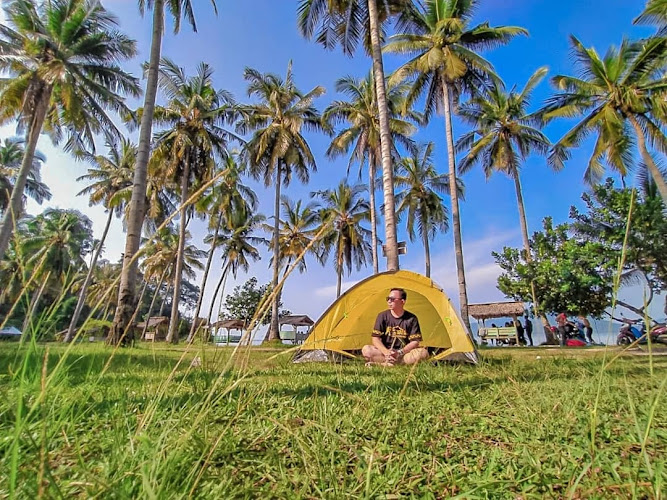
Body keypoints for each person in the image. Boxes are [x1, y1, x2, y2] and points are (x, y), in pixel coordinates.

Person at [362, 288, 429, 366]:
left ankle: (386, 364)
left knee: (423, 353)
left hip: (403, 354)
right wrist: (386, 352)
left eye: (392, 299)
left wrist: (399, 352)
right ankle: (392, 363)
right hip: (384, 354)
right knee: (366, 350)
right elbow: (375, 338)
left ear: (402, 302)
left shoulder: (411, 318)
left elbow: (415, 342)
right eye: (388, 299)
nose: (389, 301)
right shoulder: (382, 316)